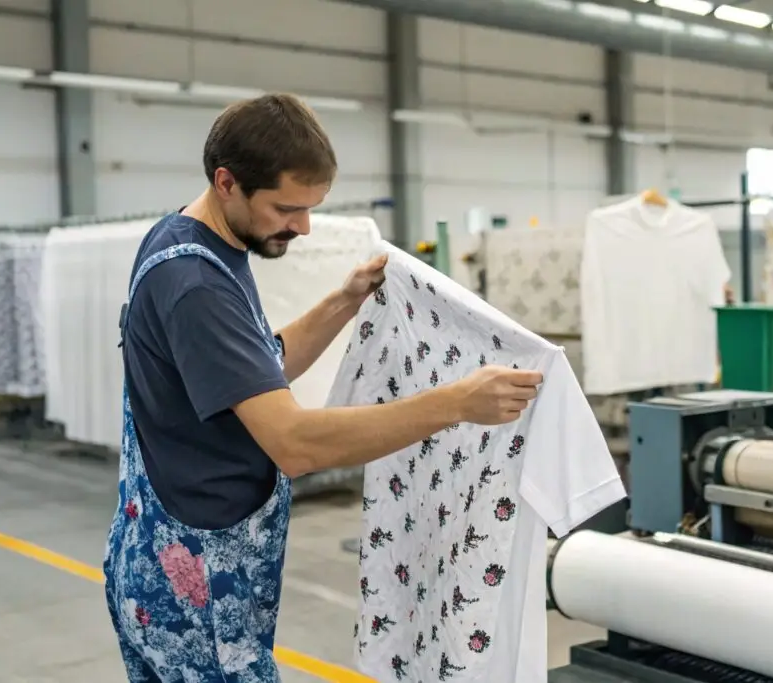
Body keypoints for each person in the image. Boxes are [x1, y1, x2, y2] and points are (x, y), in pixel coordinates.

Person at [102, 93, 545, 683]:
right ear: (227, 182)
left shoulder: (193, 239)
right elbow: (295, 443)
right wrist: (456, 403)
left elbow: (257, 368)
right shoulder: (197, 285)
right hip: (197, 592)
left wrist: (344, 301)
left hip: (161, 560)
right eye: (287, 208)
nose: (303, 227)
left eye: (311, 208)